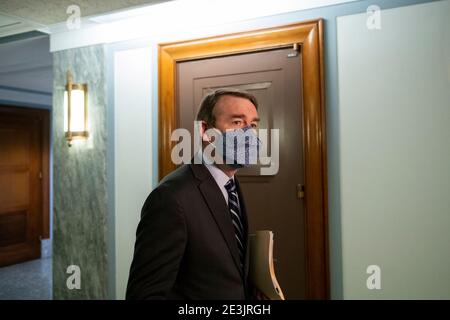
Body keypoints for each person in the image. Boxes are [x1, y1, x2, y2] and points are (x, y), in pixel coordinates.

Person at [126, 88, 261, 299]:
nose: (249, 134)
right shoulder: (171, 198)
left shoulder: (232, 186)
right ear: (205, 130)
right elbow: (146, 295)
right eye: (237, 122)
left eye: (253, 125)